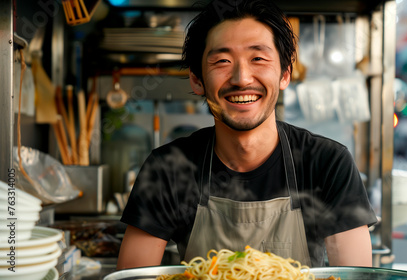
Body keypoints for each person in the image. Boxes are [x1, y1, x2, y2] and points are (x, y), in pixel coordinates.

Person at [117, 0, 378, 270]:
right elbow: (134, 277)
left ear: (284, 74)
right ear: (197, 80)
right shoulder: (168, 169)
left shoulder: (327, 164)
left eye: (258, 59)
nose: (242, 78)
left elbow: (354, 276)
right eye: (222, 61)